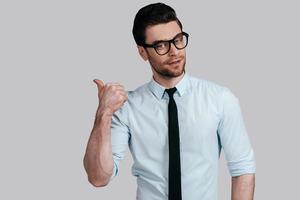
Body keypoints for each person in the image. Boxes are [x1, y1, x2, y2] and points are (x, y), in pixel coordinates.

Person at [83, 2, 256, 200]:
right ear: (142, 52)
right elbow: (98, 177)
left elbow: (243, 169)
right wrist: (103, 114)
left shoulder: (220, 99)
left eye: (178, 39)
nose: (174, 51)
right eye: (161, 45)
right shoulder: (127, 107)